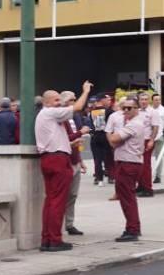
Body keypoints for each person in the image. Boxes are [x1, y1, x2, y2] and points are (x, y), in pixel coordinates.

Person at [35, 80, 93, 252]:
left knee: (51, 201)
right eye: (56, 100)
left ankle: (47, 239)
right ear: (46, 102)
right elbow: (77, 107)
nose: (59, 103)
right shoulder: (50, 113)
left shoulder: (44, 115)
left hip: (49, 158)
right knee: (58, 202)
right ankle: (54, 240)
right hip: (57, 159)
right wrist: (85, 91)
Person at [107, 95, 152, 242]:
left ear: (137, 109)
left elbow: (113, 140)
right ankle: (134, 227)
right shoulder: (132, 123)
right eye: (123, 108)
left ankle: (132, 229)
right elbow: (114, 141)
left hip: (128, 163)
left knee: (127, 198)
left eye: (129, 108)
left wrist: (110, 134)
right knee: (128, 197)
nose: (125, 110)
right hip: (128, 162)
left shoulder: (134, 124)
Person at [59, 90, 91, 237]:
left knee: (72, 195)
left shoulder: (75, 117)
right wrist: (81, 132)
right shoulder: (60, 117)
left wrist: (80, 160)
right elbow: (67, 138)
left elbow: (75, 142)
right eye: (72, 100)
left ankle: (70, 224)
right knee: (62, 195)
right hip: (65, 161)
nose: (75, 102)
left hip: (74, 159)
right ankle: (60, 224)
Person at [147, 93, 164, 183]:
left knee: (159, 157)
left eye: (159, 99)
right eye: (155, 99)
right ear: (152, 101)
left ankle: (158, 176)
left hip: (160, 136)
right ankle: (147, 175)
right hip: (149, 136)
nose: (157, 101)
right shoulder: (149, 110)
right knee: (147, 157)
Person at [88, 94, 113, 185]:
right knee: (109, 157)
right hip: (106, 135)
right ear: (102, 100)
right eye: (106, 99)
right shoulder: (108, 111)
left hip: (95, 136)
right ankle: (111, 176)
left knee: (97, 158)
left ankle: (99, 178)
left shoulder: (91, 112)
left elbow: (90, 125)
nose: (108, 101)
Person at [136, 92, 156, 197]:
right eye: (141, 99)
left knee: (145, 165)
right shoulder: (136, 111)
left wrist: (151, 141)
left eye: (145, 99)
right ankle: (140, 186)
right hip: (137, 141)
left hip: (147, 140)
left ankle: (148, 189)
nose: (143, 101)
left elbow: (155, 127)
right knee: (138, 164)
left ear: (149, 101)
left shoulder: (152, 112)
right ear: (138, 101)